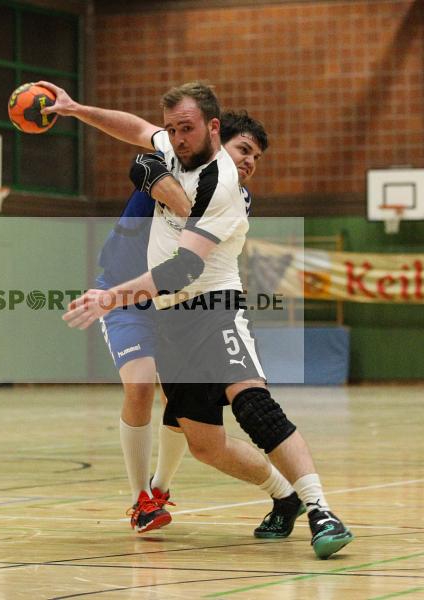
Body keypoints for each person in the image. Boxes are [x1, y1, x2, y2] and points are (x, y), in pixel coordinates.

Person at [47, 80, 353, 559]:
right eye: (174, 129)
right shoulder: (178, 146)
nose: (176, 137)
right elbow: (138, 132)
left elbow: (182, 269)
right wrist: (76, 109)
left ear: (210, 130)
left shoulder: (226, 188)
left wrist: (109, 297)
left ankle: (321, 509)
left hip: (211, 305)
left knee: (253, 406)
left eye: (184, 129)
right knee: (205, 444)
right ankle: (282, 495)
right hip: (167, 315)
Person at [101, 111, 303, 538]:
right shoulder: (177, 155)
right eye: (244, 150)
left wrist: (156, 179)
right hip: (127, 292)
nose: (250, 162)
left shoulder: (235, 198)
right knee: (139, 386)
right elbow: (135, 128)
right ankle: (143, 498)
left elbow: (189, 209)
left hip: (182, 303)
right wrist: (75, 109)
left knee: (187, 414)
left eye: (257, 157)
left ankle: (160, 488)